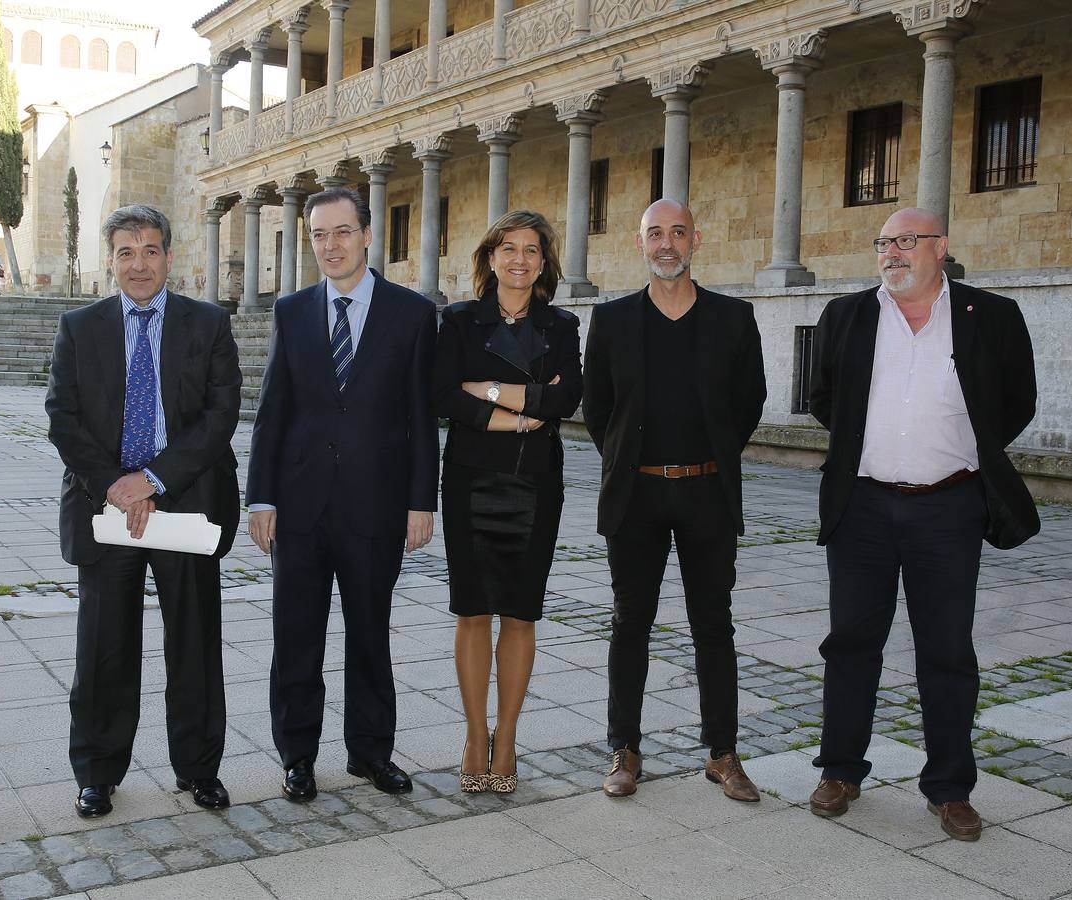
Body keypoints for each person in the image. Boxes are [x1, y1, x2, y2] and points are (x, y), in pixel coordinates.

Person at [807, 207, 1038, 841]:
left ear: (941, 246)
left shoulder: (990, 316)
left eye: (907, 241)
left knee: (947, 650)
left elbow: (1015, 402)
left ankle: (950, 788)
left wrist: (958, 451)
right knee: (851, 644)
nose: (893, 253)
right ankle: (840, 771)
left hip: (948, 507)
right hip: (863, 508)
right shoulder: (846, 316)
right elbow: (825, 398)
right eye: (884, 243)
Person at [46, 204, 242, 818]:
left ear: (169, 256)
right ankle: (98, 772)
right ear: (112, 260)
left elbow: (220, 416)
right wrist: (118, 485)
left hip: (184, 502)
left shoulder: (208, 324)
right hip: (105, 508)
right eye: (127, 252)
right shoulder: (80, 328)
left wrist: (153, 480)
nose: (139, 264)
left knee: (194, 641)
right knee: (103, 647)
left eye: (151, 250)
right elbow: (63, 417)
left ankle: (198, 768)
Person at [246, 186, 438, 803]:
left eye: (342, 232)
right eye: (319, 236)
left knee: (370, 635)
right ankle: (297, 757)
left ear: (367, 235)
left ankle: (370, 753)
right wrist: (262, 499)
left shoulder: (411, 314)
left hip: (376, 508)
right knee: (296, 638)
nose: (331, 246)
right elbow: (273, 413)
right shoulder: (292, 311)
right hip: (300, 510)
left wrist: (420, 501)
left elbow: (420, 417)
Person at [583, 199, 766, 801]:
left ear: (696, 241)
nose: (667, 244)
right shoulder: (610, 322)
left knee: (713, 625)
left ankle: (722, 753)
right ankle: (625, 750)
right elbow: (599, 411)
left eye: (678, 233)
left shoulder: (734, 320)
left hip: (706, 490)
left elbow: (747, 404)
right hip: (636, 494)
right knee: (630, 623)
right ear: (641, 244)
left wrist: (707, 458)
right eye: (655, 234)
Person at [432, 210, 582, 794]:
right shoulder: (459, 320)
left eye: (531, 250)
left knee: (521, 613)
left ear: (543, 262)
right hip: (471, 480)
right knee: (472, 612)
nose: (520, 259)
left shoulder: (562, 324)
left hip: (535, 483)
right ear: (489, 258)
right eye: (508, 248)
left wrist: (490, 391)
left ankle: (509, 736)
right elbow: (442, 393)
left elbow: (567, 397)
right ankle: (474, 735)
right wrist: (516, 418)